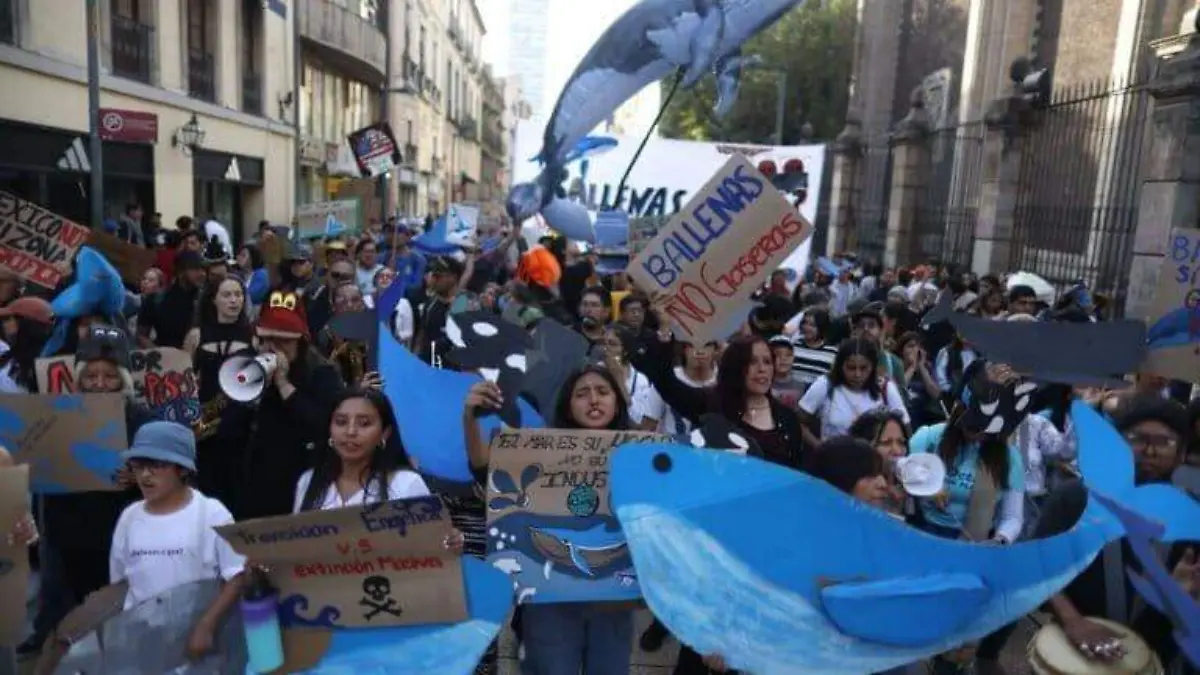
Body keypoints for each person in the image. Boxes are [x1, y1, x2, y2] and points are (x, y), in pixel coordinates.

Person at [463, 364, 638, 675]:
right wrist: (469, 416)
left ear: (618, 401)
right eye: (582, 394)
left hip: (616, 597)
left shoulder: (643, 453)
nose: (593, 400)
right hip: (550, 596)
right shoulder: (537, 448)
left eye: (603, 392)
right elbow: (483, 468)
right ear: (567, 405)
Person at [1034, 394, 1199, 671]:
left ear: (1182, 453)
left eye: (1164, 442)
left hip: (1157, 657)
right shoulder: (1075, 499)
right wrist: (1073, 620)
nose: (1150, 451)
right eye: (1137, 438)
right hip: (1075, 653)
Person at [25, 325, 156, 659]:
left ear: (124, 380)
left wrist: (140, 477)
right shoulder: (56, 416)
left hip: (118, 538)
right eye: (92, 376)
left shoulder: (142, 420)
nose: (99, 384)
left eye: (109, 376)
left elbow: (168, 481)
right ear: (79, 378)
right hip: (66, 536)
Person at [109, 422, 245, 661]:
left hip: (195, 638)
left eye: (156, 465)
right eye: (138, 466)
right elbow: (120, 583)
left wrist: (207, 625)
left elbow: (236, 576)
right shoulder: (129, 517)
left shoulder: (211, 513)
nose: (145, 475)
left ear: (182, 469)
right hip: (144, 639)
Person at [240, 291, 345, 519]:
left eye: (283, 340)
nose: (274, 347)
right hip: (257, 481)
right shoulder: (248, 366)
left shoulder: (321, 373)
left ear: (301, 339)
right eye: (268, 339)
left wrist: (284, 384)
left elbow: (324, 425)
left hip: (300, 478)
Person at [294, 389, 436, 511]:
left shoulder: (406, 484)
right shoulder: (308, 481)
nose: (350, 432)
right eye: (341, 422)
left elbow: (429, 539)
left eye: (364, 423)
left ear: (385, 433)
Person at [183, 277, 255, 515]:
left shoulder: (254, 335)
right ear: (213, 299)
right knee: (208, 492)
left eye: (238, 294)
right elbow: (183, 380)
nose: (234, 300)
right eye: (227, 295)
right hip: (205, 424)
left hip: (241, 425)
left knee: (240, 490)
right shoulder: (196, 335)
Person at [798, 338, 910, 444]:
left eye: (863, 368)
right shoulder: (826, 384)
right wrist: (819, 446)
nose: (857, 375)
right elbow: (799, 422)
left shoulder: (885, 388)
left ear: (873, 366)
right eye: (851, 368)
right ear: (840, 366)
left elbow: (905, 427)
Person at [137, 250, 204, 349]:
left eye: (203, 269)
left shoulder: (206, 299)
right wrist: (159, 354)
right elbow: (141, 335)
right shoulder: (156, 299)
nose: (202, 273)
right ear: (181, 271)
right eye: (195, 269)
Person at [0, 296, 55, 393]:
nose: (4, 325)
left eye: (8, 319)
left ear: (26, 323)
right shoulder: (7, 357)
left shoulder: (47, 368)